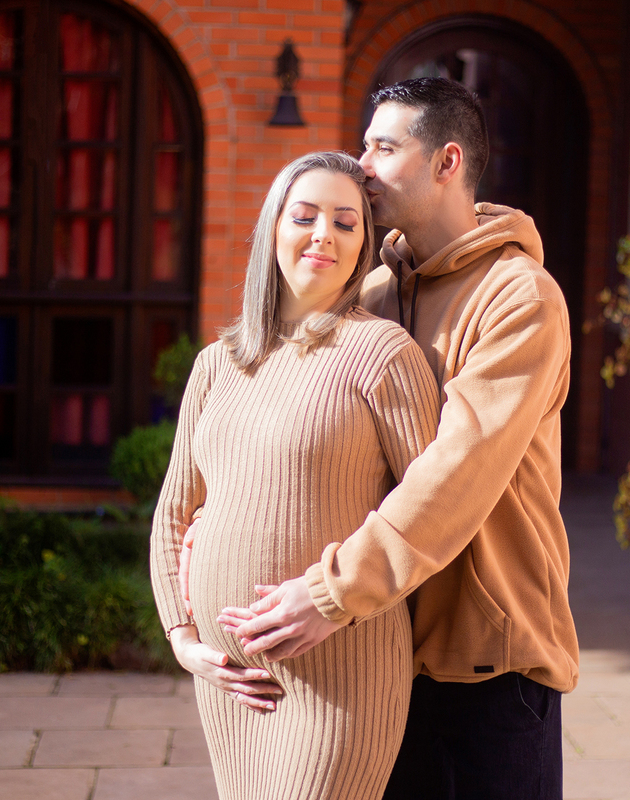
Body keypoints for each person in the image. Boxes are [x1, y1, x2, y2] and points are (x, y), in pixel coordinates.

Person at [215, 77, 578, 800]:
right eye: (364, 145)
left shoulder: (520, 298)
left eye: (383, 147)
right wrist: (220, 517)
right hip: (380, 650)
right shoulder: (375, 291)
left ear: (447, 162)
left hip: (487, 664)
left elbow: (458, 472)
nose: (363, 165)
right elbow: (304, 427)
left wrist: (330, 593)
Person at [149, 151, 441, 800]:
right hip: (229, 685)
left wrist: (342, 598)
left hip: (341, 674)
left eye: (346, 222)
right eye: (305, 216)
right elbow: (174, 512)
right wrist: (183, 640)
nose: (323, 235)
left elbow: (429, 512)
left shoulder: (383, 353)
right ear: (272, 229)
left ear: (362, 245)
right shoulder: (218, 363)